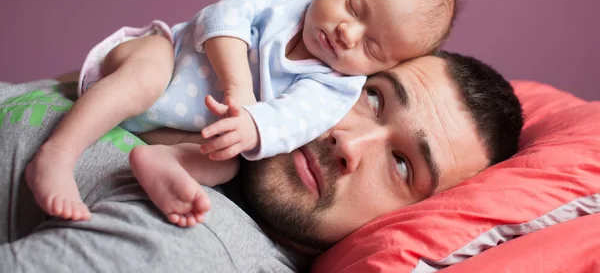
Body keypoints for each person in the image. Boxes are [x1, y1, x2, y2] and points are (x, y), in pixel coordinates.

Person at [25, 0, 460, 226]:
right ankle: (57, 154)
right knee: (147, 75)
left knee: (227, 162)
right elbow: (222, 18)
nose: (348, 33)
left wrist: (252, 127)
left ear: (386, 65)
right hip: (162, 58)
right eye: (354, 7)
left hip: (174, 125)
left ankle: (161, 162)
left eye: (371, 45)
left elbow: (291, 121)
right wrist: (239, 88)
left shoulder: (335, 88)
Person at [0, 51, 523, 271]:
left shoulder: (195, 248)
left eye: (404, 166)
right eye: (373, 97)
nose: (349, 144)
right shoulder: (208, 114)